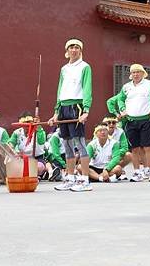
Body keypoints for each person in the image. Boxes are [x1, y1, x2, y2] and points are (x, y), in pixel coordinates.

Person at [48, 38, 93, 192]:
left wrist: (86, 109)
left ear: (80, 51)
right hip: (63, 107)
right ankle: (70, 178)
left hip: (76, 106)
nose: (74, 50)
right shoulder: (64, 69)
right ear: (67, 52)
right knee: (66, 144)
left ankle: (85, 180)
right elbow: (60, 89)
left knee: (79, 143)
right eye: (71, 48)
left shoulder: (85, 67)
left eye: (77, 47)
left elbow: (87, 89)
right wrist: (56, 112)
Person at [116, 64, 150, 182]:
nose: (136, 74)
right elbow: (120, 99)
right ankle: (137, 172)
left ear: (143, 73)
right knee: (134, 148)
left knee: (148, 147)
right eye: (133, 72)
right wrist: (122, 109)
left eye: (138, 72)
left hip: (145, 119)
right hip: (130, 120)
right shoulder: (126, 87)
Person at [104, 115, 130, 180]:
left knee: (128, 155)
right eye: (109, 122)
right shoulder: (100, 131)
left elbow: (125, 148)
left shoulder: (120, 132)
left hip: (116, 156)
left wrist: (115, 154)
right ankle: (115, 173)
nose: (111, 124)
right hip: (102, 156)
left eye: (114, 122)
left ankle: (119, 170)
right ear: (105, 123)